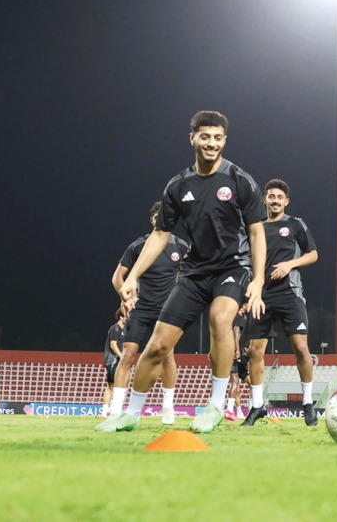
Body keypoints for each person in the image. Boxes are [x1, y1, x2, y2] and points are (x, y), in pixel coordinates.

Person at [104, 111, 267, 433]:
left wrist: (259, 280)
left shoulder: (240, 180)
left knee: (220, 318)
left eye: (218, 138)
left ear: (225, 140)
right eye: (205, 137)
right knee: (158, 345)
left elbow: (257, 232)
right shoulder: (178, 186)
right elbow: (160, 235)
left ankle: (215, 406)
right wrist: (133, 276)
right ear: (192, 138)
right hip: (194, 272)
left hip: (233, 266)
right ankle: (130, 414)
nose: (211, 143)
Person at [96, 203, 188, 429]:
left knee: (168, 356)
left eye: (164, 216)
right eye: (156, 216)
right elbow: (118, 277)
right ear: (152, 220)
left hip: (167, 311)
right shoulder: (138, 246)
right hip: (140, 309)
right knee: (127, 356)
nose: (160, 219)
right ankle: (116, 411)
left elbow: (191, 274)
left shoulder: (181, 246)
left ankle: (168, 408)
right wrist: (125, 299)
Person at [241, 179, 320, 427]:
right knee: (255, 351)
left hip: (290, 293)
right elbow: (248, 263)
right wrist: (247, 295)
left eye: (279, 197)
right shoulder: (256, 229)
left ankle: (308, 403)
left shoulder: (295, 224)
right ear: (264, 200)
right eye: (271, 196)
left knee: (300, 347)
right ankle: (257, 407)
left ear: (286, 201)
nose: (275, 201)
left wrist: (290, 264)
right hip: (262, 296)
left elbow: (313, 254)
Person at [101, 309, 127, 418]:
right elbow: (113, 345)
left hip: (120, 361)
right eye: (126, 317)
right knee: (111, 386)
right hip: (113, 361)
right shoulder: (115, 328)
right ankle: (104, 412)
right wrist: (122, 356)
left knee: (118, 386)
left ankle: (112, 410)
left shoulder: (126, 329)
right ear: (121, 317)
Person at [226, 310, 250, 421]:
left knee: (247, 383)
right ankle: (230, 410)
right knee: (235, 382)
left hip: (232, 353)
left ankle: (243, 411)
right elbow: (236, 331)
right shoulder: (240, 317)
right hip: (234, 354)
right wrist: (237, 349)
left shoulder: (231, 317)